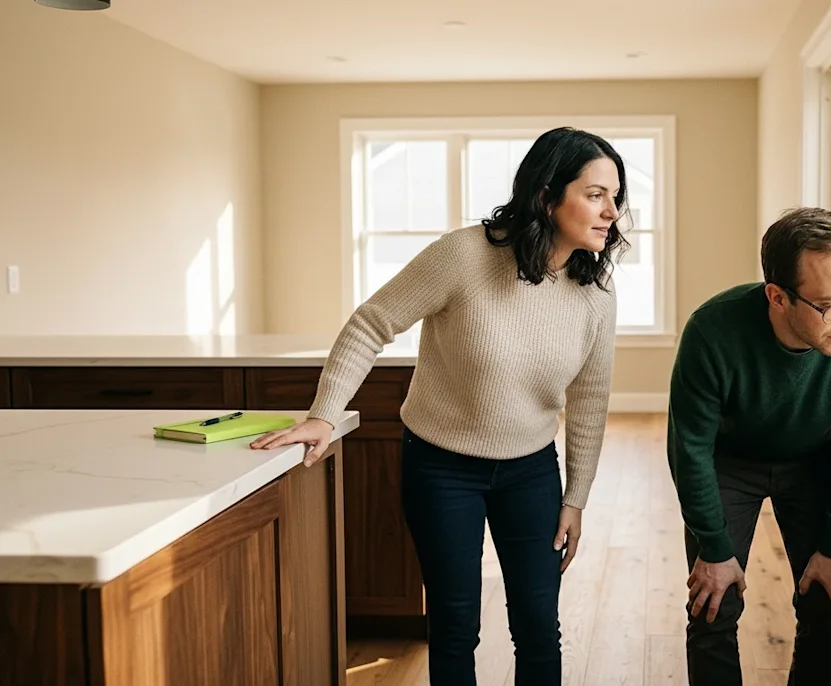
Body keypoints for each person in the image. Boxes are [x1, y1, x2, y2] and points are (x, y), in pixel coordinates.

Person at [250, 127, 627, 685]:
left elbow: (591, 398)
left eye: (616, 198)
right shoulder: (465, 255)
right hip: (441, 467)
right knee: (454, 625)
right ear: (548, 195)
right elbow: (370, 324)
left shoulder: (596, 290)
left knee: (539, 629)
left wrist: (576, 498)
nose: (612, 212)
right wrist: (323, 415)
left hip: (530, 471)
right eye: (596, 194)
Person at [666, 206, 831, 686]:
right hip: (728, 460)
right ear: (777, 296)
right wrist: (713, 549)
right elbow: (689, 447)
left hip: (815, 460)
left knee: (828, 604)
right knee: (712, 604)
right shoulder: (712, 331)